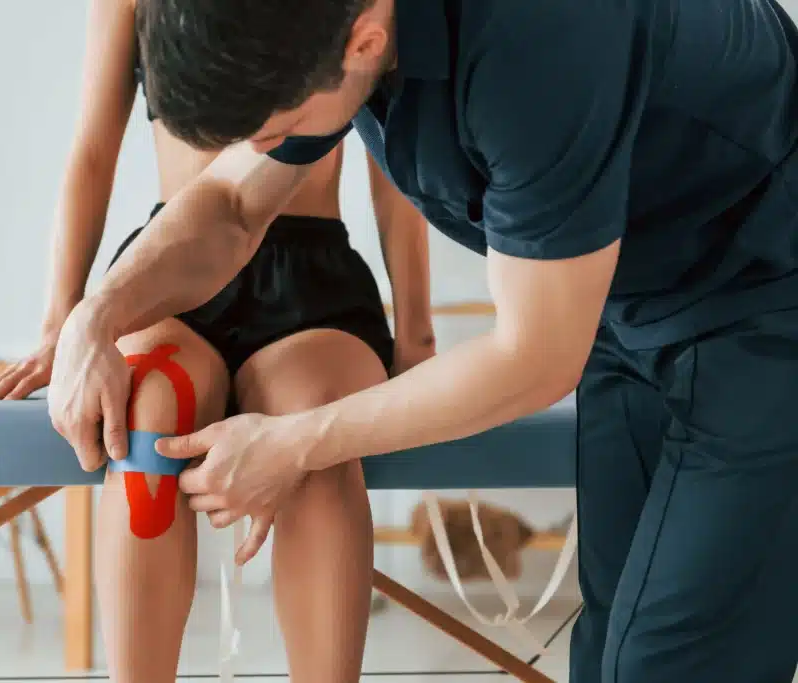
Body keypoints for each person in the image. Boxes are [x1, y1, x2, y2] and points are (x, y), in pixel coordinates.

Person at [45, 0, 798, 681]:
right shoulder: (325, 30)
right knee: (604, 654)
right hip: (629, 293)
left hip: (766, 297)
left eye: (273, 133)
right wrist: (96, 313)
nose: (265, 151)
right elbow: (234, 203)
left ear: (365, 41)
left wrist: (298, 441)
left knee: (666, 662)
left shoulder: (537, 41)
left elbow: (536, 358)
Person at [0, 1, 434, 681]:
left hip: (312, 279)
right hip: (175, 266)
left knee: (315, 420)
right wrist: (63, 327)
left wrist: (416, 336)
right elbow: (93, 149)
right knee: (143, 418)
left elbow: (393, 163)